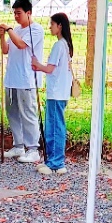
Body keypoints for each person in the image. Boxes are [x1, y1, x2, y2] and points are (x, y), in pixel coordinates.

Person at [0, 0, 44, 164]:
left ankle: (33, 149)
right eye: (14, 13)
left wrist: (9, 29)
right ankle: (18, 145)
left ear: (28, 13)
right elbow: (6, 50)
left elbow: (21, 45)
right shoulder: (16, 29)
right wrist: (2, 36)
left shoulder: (36, 29)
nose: (16, 16)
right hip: (12, 79)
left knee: (28, 114)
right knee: (13, 114)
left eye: (19, 13)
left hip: (27, 80)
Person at [31, 11, 73, 175]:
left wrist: (37, 64)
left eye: (52, 24)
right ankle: (53, 161)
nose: (50, 27)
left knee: (54, 128)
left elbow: (49, 69)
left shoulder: (59, 45)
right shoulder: (66, 45)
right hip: (60, 92)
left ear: (59, 26)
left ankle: (56, 162)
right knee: (56, 126)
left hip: (56, 93)